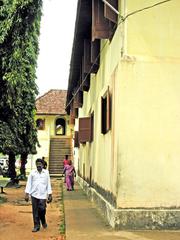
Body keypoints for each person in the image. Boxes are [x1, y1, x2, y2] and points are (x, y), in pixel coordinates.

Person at [25, 158, 52, 232]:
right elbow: (29, 183)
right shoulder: (32, 173)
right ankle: (36, 226)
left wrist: (50, 194)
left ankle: (43, 220)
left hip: (43, 195)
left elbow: (48, 184)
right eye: (37, 164)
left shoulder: (46, 173)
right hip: (34, 194)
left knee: (42, 209)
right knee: (35, 210)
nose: (38, 166)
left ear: (43, 165)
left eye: (40, 164)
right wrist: (27, 193)